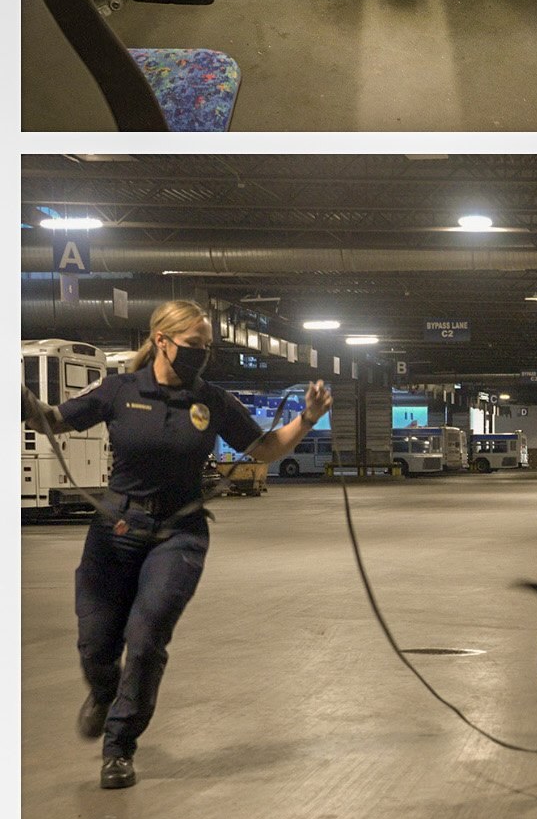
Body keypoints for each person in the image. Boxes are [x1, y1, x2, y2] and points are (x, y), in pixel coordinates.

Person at [24, 301, 330, 789]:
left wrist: (307, 419)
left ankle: (119, 748)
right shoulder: (119, 389)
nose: (202, 355)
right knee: (96, 643)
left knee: (146, 639)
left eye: (206, 347)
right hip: (115, 532)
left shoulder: (213, 401)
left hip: (179, 533)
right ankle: (104, 692)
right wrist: (25, 403)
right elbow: (53, 420)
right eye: (194, 346)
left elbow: (264, 449)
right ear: (161, 340)